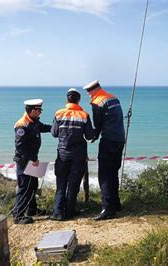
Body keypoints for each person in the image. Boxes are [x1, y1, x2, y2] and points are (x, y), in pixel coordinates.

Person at [83, 80, 125, 221]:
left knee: (104, 175)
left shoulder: (98, 102)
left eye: (89, 93)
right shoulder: (113, 97)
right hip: (120, 139)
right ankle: (115, 203)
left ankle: (107, 209)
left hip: (108, 141)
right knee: (113, 172)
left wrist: (94, 136)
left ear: (93, 91)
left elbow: (98, 124)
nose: (89, 96)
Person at [50, 88, 94, 221]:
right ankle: (69, 212)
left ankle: (57, 212)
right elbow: (89, 135)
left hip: (62, 154)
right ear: (78, 100)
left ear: (67, 100)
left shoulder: (59, 114)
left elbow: (54, 133)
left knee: (61, 183)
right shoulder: (84, 115)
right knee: (73, 184)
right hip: (78, 156)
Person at [12, 99, 52, 224]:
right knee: (25, 188)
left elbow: (42, 127)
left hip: (32, 159)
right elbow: (20, 147)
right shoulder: (22, 125)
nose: (40, 112)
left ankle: (32, 209)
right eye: (39, 110)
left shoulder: (33, 121)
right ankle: (18, 215)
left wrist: (56, 128)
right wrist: (33, 159)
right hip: (25, 161)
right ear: (33, 110)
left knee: (32, 186)